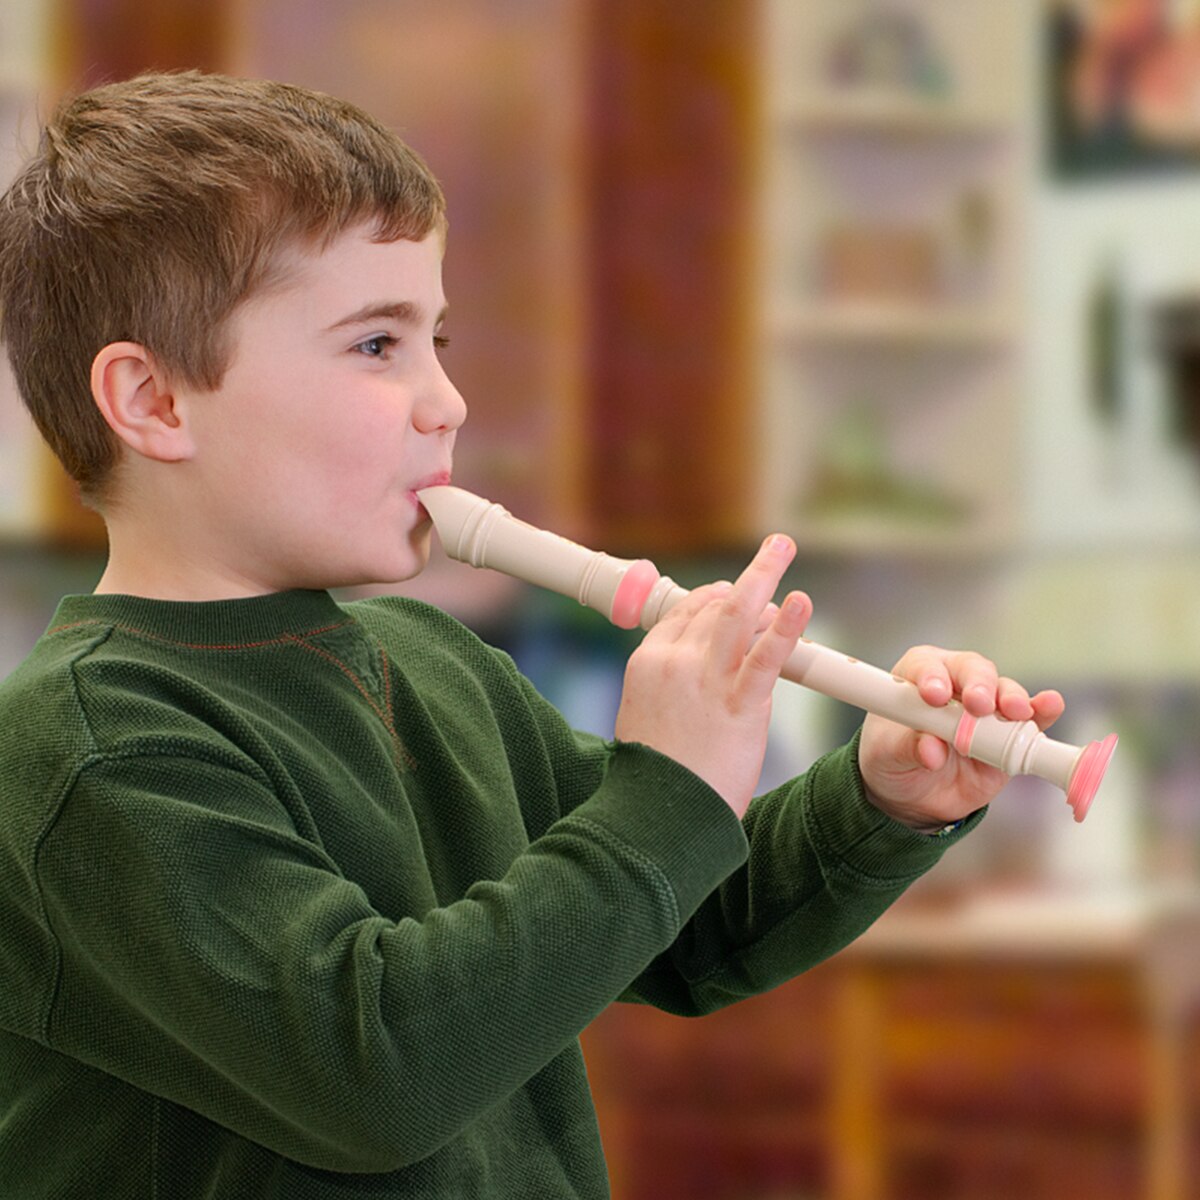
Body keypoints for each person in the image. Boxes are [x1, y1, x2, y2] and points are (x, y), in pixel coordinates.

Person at [0, 71, 1064, 1200]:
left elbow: (682, 923)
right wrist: (664, 789)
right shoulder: (91, 748)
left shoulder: (434, 663)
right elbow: (378, 1071)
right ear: (154, 403)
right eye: (374, 346)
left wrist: (878, 798)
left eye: (435, 338)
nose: (446, 399)